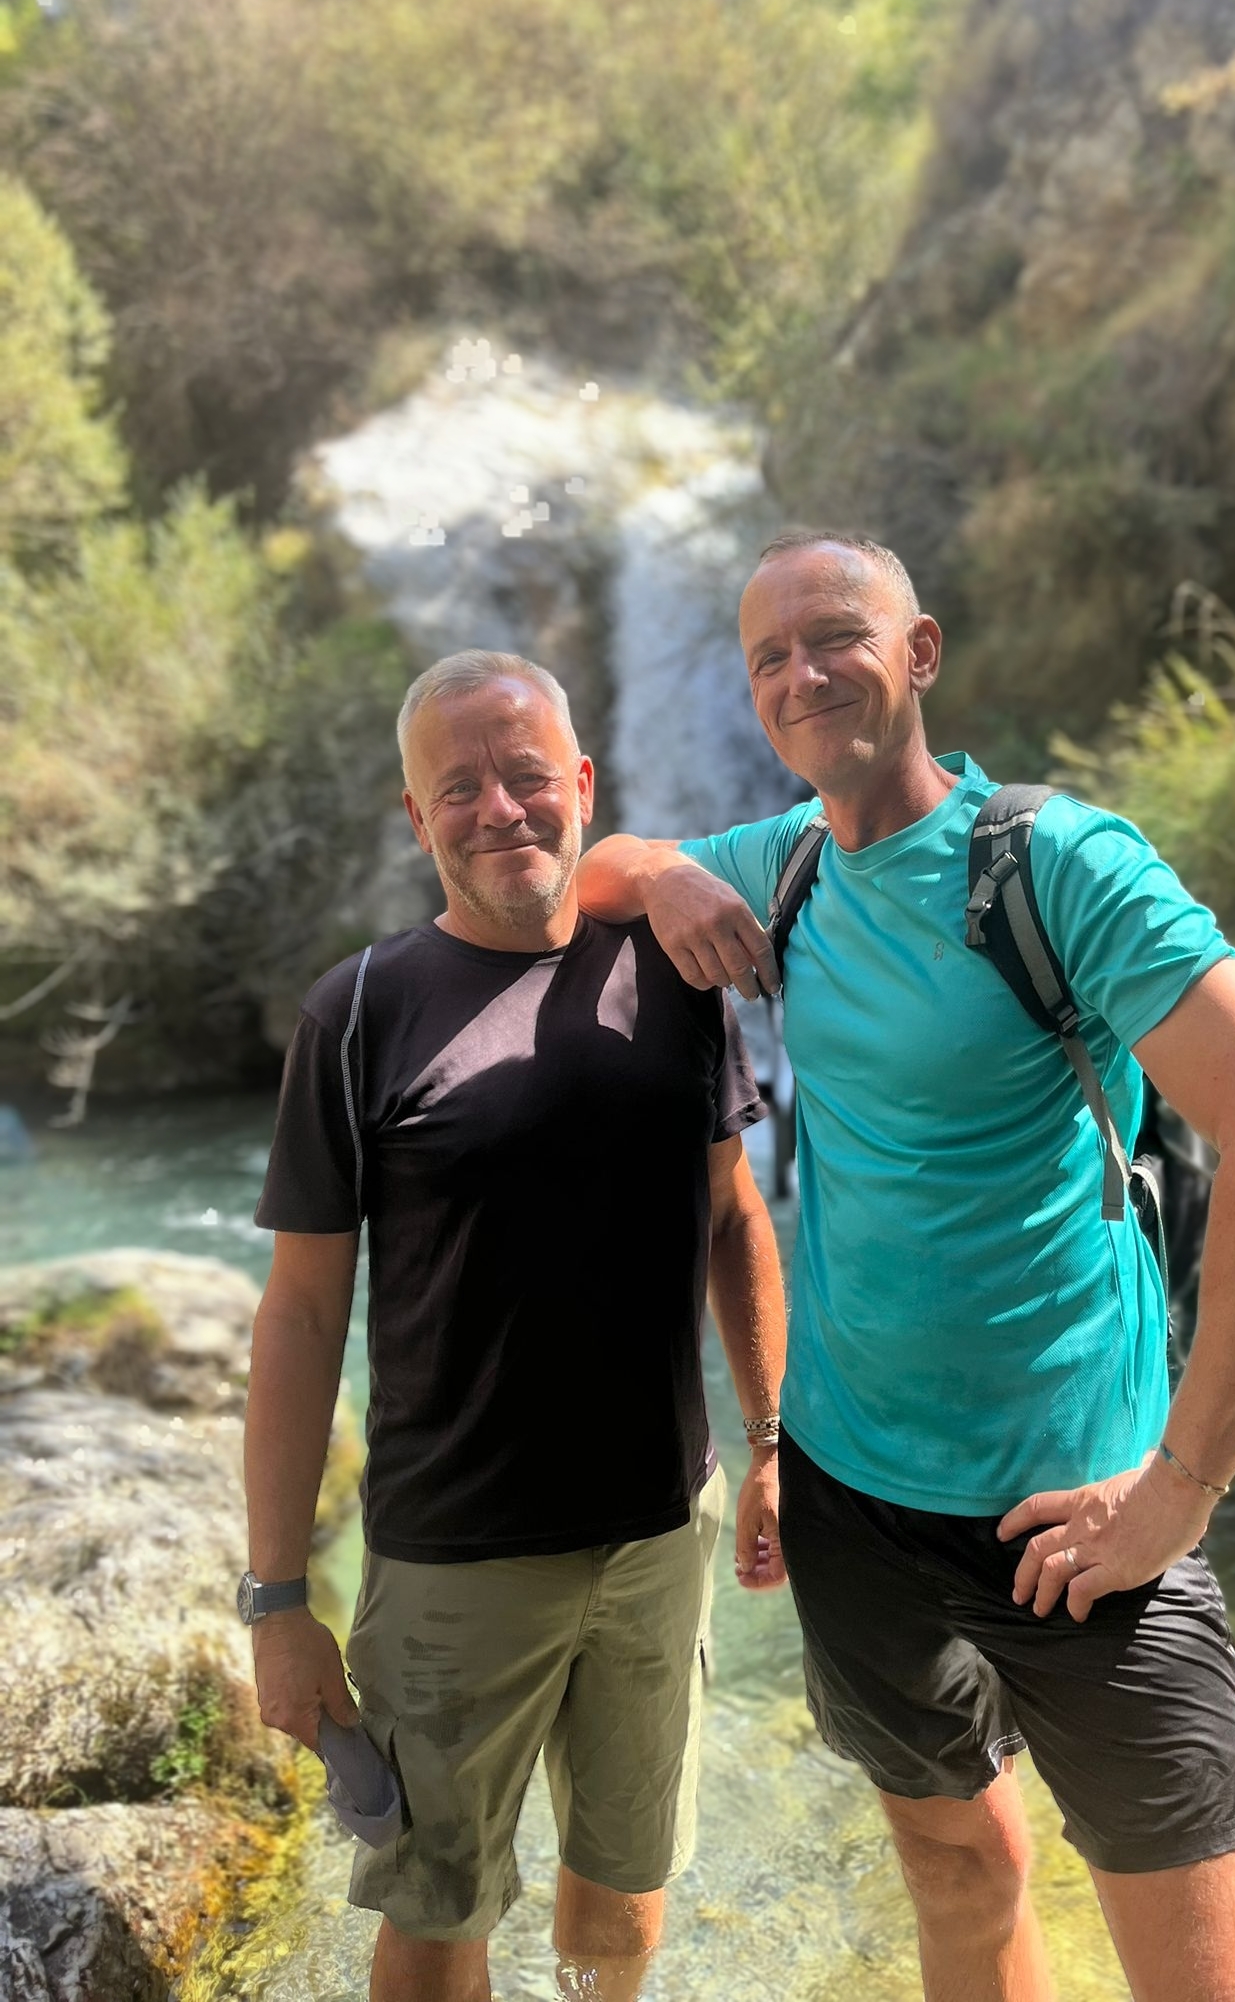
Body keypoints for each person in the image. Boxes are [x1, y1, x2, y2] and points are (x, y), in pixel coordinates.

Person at [576, 533, 1235, 2002]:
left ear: (921, 652)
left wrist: (1180, 1489)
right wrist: (667, 874)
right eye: (769, 658)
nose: (804, 675)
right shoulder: (785, 865)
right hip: (855, 1502)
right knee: (958, 1873)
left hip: (1083, 1515)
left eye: (836, 637)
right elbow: (595, 870)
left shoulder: (1057, 864)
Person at [243, 650, 788, 2002]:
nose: (503, 809)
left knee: (622, 1902)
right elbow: (304, 1316)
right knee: (436, 1922)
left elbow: (730, 1219)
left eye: (530, 776)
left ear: (583, 785)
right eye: (460, 788)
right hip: (451, 1568)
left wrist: (772, 1437)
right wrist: (275, 1600)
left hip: (663, 1536)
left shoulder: (674, 975)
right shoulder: (356, 1012)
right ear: (414, 817)